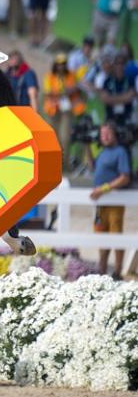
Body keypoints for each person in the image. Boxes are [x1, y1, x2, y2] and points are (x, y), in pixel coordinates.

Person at [89, 122, 131, 278]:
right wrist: (87, 146)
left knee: (115, 234)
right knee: (101, 235)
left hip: (114, 201)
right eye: (102, 134)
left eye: (107, 133)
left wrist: (103, 189)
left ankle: (118, 271)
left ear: (114, 135)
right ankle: (102, 270)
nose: (104, 137)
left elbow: (125, 177)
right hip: (100, 204)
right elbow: (92, 167)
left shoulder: (120, 152)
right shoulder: (103, 152)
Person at [43, 54, 86, 170]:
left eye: (63, 64)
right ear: (55, 65)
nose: (61, 66)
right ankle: (52, 165)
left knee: (65, 138)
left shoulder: (72, 75)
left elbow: (78, 87)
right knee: (52, 138)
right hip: (53, 112)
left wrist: (69, 90)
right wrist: (64, 91)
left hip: (67, 111)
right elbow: (47, 92)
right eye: (59, 64)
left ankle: (64, 166)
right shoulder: (50, 76)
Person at [97, 52, 137, 126]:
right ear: (113, 66)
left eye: (122, 64)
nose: (119, 66)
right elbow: (104, 99)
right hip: (111, 118)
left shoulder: (130, 80)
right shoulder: (107, 81)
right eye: (117, 64)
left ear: (125, 66)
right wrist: (123, 98)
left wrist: (111, 99)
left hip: (127, 117)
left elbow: (130, 96)